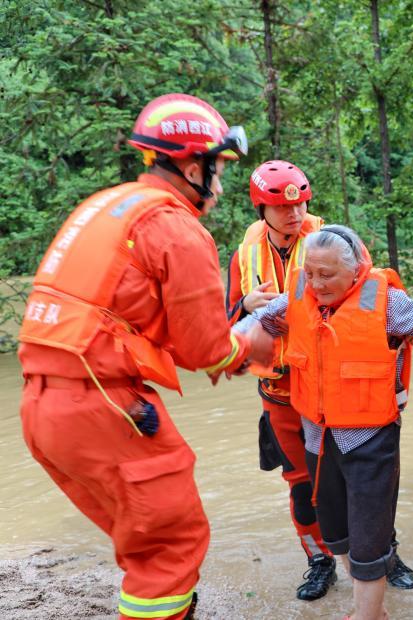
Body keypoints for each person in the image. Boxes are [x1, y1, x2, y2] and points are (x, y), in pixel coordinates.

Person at [18, 93, 272, 620]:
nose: (220, 188)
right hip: (103, 408)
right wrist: (253, 343)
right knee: (170, 546)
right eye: (216, 170)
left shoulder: (104, 207)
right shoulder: (177, 229)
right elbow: (206, 351)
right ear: (188, 163)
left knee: (145, 543)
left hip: (42, 409)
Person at [234, 225, 413, 620]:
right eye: (311, 272)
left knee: (370, 539)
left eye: (327, 274)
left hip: (369, 440)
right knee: (336, 533)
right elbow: (258, 324)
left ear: (355, 272)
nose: (315, 284)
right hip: (317, 437)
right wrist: (230, 341)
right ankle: (369, 608)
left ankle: (369, 614)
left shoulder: (387, 301)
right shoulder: (299, 292)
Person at [225, 160, 341, 599]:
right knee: (300, 484)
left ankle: (382, 550)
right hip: (278, 391)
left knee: (354, 474)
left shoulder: (334, 243)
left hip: (329, 385)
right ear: (262, 210)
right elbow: (226, 325)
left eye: (301, 203)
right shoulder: (244, 257)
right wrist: (245, 306)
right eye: (281, 206)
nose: (295, 213)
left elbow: (368, 303)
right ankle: (319, 560)